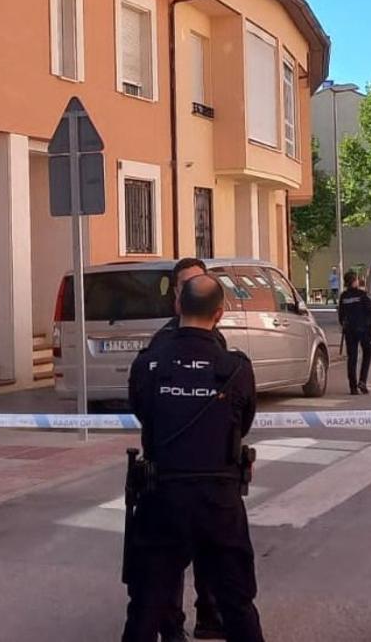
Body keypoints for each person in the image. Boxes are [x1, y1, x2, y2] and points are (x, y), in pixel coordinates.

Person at [123, 274, 265, 642]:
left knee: (146, 605)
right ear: (219, 314)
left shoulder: (148, 365)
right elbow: (243, 424)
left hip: (163, 496)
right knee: (236, 603)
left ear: (176, 306)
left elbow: (143, 414)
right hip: (219, 499)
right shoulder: (236, 369)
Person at [143, 257, 226, 642]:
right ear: (176, 296)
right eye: (186, 286)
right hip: (172, 472)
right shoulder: (160, 346)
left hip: (215, 471)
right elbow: (145, 407)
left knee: (213, 555)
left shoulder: (219, 341)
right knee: (168, 560)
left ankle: (209, 614)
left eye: (200, 283)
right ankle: (170, 626)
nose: (194, 292)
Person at [337, 270, 371, 396]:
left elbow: (341, 316)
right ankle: (362, 381)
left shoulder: (343, 296)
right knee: (367, 353)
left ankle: (353, 387)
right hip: (363, 329)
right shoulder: (362, 295)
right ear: (355, 281)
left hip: (349, 330)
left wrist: (344, 324)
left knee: (352, 358)